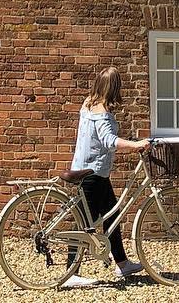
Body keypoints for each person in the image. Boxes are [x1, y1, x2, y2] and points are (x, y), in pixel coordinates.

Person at [62, 65, 148, 289]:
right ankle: (71, 272)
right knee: (84, 224)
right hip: (92, 174)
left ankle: (122, 263)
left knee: (112, 215)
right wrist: (136, 144)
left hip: (93, 171)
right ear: (114, 88)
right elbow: (110, 142)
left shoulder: (88, 103)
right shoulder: (102, 114)